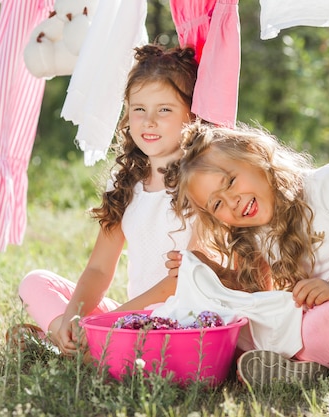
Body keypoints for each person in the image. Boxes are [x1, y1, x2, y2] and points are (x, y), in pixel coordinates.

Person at [164, 121, 329, 387]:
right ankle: (298, 367)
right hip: (316, 330)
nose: (233, 203)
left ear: (254, 154)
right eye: (217, 204)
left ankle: (286, 366)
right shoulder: (253, 233)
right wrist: (215, 274)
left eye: (230, 182)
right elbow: (261, 297)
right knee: (240, 323)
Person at [11, 44, 201, 356]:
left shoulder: (200, 182)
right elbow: (99, 268)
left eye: (164, 109)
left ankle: (65, 347)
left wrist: (112, 321)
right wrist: (75, 316)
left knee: (141, 339)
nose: (149, 121)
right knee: (35, 283)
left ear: (191, 114)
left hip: (179, 319)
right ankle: (72, 341)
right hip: (130, 316)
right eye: (139, 109)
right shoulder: (126, 181)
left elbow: (179, 282)